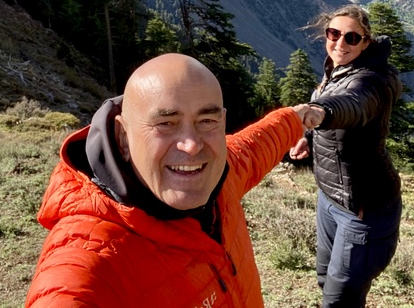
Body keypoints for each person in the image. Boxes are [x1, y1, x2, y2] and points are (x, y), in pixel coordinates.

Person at [26, 52, 311, 308]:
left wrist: (300, 118)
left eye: (207, 121)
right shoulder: (92, 259)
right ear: (124, 138)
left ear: (222, 122)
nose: (192, 145)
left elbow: (258, 144)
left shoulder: (223, 175)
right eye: (166, 123)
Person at [290, 4, 403, 308]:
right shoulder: (338, 67)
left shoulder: (371, 81)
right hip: (330, 198)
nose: (340, 43)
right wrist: (309, 139)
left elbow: (353, 105)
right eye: (334, 33)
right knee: (327, 279)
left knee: (341, 299)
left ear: (366, 42)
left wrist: (320, 112)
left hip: (365, 208)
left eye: (352, 38)